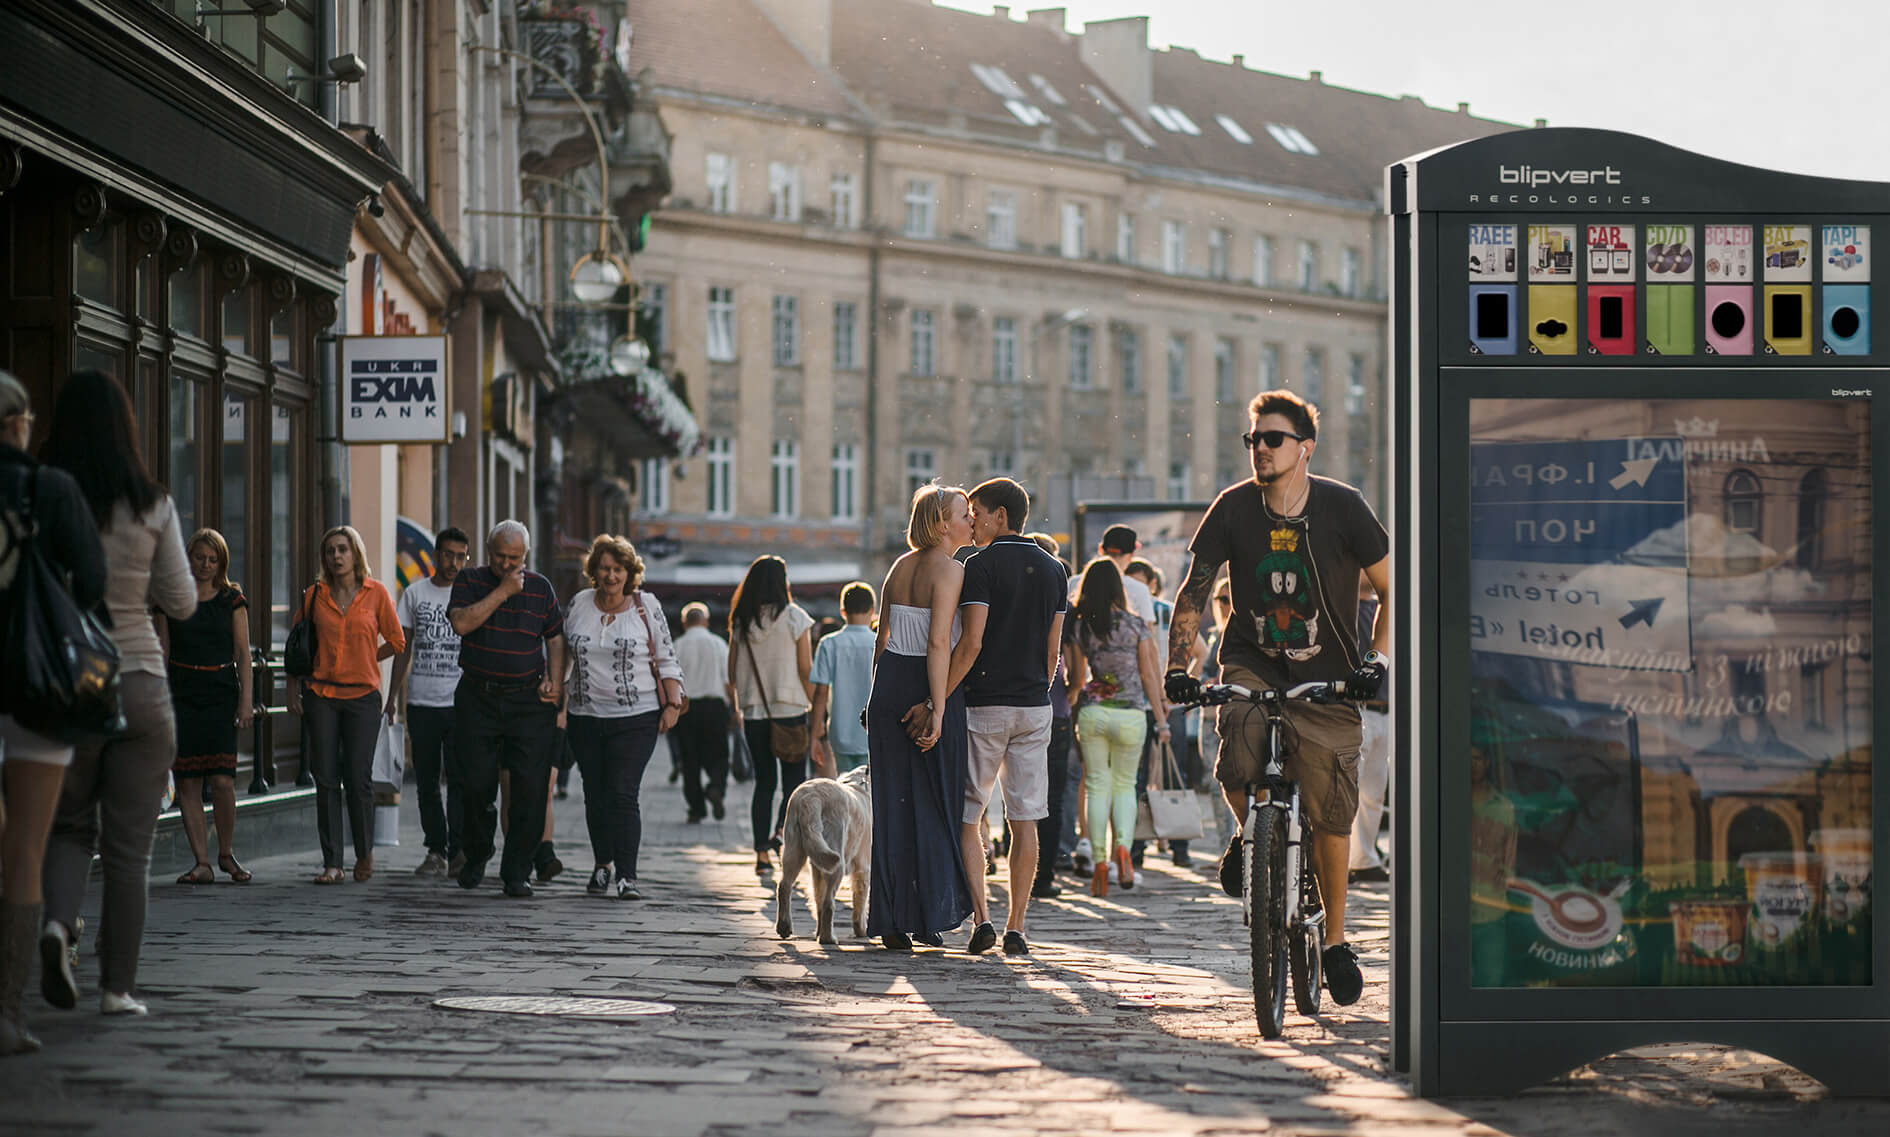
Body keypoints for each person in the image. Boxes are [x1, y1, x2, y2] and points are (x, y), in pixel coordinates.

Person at [1165, 388, 1390, 1008]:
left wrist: (1379, 661)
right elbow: (1195, 590)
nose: (1259, 449)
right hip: (1251, 661)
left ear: (1305, 448)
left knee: (1330, 811)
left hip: (1331, 674)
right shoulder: (1232, 508)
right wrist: (1178, 665)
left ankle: (1338, 940)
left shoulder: (1344, 507)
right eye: (1253, 439)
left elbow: (1394, 588)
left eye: (1273, 439)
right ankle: (1249, 836)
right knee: (1236, 744)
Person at [36, 372, 194, 1022]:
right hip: (140, 680)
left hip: (70, 680)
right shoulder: (152, 502)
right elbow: (183, 600)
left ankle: (57, 925)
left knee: (68, 827)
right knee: (131, 851)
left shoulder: (43, 497)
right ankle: (117, 989)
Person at [0, 371, 106, 1055]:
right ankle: (7, 1014)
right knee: (26, 850)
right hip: (37, 686)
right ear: (19, 423)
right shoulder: (52, 488)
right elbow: (92, 583)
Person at [934, 478, 1067, 956]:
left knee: (971, 815)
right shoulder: (1055, 570)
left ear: (1002, 516)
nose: (974, 520)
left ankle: (983, 920)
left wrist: (940, 698)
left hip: (985, 704)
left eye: (979, 512)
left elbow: (969, 645)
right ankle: (1018, 926)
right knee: (1025, 817)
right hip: (1035, 706)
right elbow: (1054, 651)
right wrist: (1039, 690)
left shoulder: (980, 566)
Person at [867, 485, 975, 949]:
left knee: (892, 806)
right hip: (923, 680)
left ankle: (892, 918)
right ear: (941, 522)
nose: (970, 520)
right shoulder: (950, 570)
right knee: (933, 803)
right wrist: (938, 705)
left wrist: (875, 696)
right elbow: (937, 644)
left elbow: (882, 636)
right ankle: (928, 914)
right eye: (963, 514)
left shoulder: (898, 565)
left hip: (889, 681)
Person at [560, 535, 684, 900]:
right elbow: (563, 653)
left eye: (618, 569)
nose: (611, 576)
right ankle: (602, 865)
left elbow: (666, 656)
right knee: (594, 794)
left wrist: (673, 704)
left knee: (622, 793)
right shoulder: (580, 603)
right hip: (585, 715)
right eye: (604, 568)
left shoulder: (646, 606)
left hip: (637, 715)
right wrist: (557, 694)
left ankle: (627, 876)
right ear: (594, 571)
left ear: (630, 573)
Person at [447, 520, 565, 898]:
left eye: (515, 558)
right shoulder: (469, 581)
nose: (507, 563)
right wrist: (502, 591)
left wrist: (556, 681)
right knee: (475, 785)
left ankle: (518, 870)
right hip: (477, 696)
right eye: (500, 555)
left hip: (528, 700)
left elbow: (556, 637)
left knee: (530, 788)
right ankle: (478, 853)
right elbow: (462, 624)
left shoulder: (542, 588)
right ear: (487, 549)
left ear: (525, 556)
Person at [287, 525, 404, 885]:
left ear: (356, 554)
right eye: (330, 551)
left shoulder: (376, 593)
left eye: (342, 549)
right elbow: (296, 649)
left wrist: (372, 660)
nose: (336, 556)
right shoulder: (313, 596)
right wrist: (293, 690)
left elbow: (398, 643)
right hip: (321, 696)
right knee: (325, 779)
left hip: (363, 699)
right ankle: (332, 862)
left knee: (358, 778)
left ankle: (364, 853)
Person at [1064, 557, 1166, 897]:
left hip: (1093, 712)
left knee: (1096, 785)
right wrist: (1161, 719)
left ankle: (1100, 863)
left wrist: (1069, 697)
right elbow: (1150, 674)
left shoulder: (1080, 627)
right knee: (1125, 785)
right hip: (1131, 714)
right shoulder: (1136, 625)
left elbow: (1078, 679)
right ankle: (1124, 849)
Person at [166, 529, 249, 883]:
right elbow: (163, 651)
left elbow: (243, 653)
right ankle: (202, 862)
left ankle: (226, 853)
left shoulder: (232, 599)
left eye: (213, 559)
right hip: (182, 692)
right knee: (187, 780)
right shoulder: (172, 599)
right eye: (200, 557)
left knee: (222, 779)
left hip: (220, 691)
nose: (205, 565)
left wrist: (246, 701)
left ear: (222, 563)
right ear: (189, 559)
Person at [387, 526, 469, 879]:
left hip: (461, 703)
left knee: (460, 780)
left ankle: (459, 850)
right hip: (422, 702)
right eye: (448, 555)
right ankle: (435, 850)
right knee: (426, 782)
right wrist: (392, 697)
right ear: (436, 556)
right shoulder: (415, 594)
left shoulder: (472, 594)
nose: (453, 562)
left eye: (460, 557)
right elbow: (402, 649)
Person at [728, 556, 815, 877]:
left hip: (754, 712)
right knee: (794, 783)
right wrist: (815, 703)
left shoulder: (741, 621)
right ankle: (780, 833)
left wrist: (743, 702)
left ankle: (761, 854)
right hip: (791, 710)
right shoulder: (795, 618)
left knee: (763, 783)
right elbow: (806, 668)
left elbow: (731, 672)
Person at [1124, 557, 1200, 868]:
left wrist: (1176, 689)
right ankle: (1147, 848)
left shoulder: (1157, 613)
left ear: (1153, 584)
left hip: (1155, 705)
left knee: (1161, 776)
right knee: (1157, 776)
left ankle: (1159, 848)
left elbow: (1201, 653)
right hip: (1154, 705)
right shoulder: (1141, 615)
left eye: (1142, 583)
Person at [1025, 533, 1070, 899]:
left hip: (1018, 701)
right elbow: (1070, 665)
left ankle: (1018, 872)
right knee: (1051, 798)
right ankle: (1044, 876)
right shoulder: (1061, 603)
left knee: (1018, 799)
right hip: (1054, 709)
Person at [672, 602, 737, 822]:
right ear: (706, 621)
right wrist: (736, 710)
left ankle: (696, 808)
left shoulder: (677, 646)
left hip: (685, 708)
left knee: (690, 761)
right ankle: (716, 787)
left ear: (684, 623)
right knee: (719, 754)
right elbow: (729, 682)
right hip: (714, 706)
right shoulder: (718, 644)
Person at [811, 581, 876, 778]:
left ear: (842, 611)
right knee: (871, 791)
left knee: (846, 788)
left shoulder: (828, 644)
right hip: (873, 731)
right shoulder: (879, 642)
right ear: (873, 610)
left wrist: (814, 736)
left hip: (840, 731)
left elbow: (820, 693)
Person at [1349, 580, 1391, 884]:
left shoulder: (1387, 609)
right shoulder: (1345, 608)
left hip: (1385, 710)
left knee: (1374, 793)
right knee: (1350, 788)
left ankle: (1364, 858)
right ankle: (1349, 858)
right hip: (1357, 709)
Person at [1097, 525, 1157, 629]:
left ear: (1101, 550)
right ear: (1131, 555)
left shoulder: (1075, 583)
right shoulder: (1140, 590)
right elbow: (1147, 632)